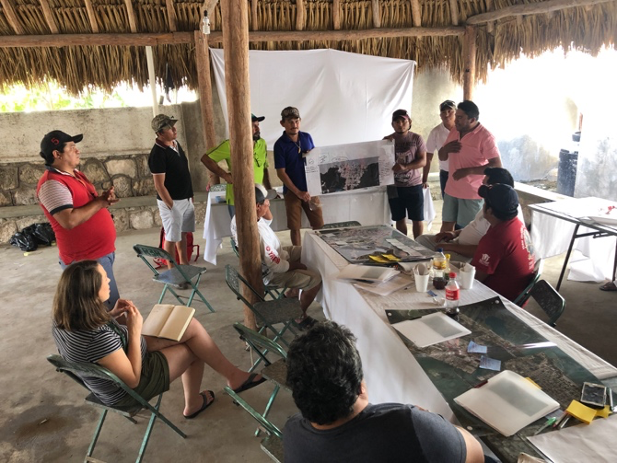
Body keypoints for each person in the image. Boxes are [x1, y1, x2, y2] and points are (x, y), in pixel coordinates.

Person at [52, 261, 265, 419]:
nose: (108, 279)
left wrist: (112, 315)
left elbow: (99, 351)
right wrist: (134, 331)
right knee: (194, 347)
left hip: (113, 370)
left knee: (189, 326)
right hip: (126, 391)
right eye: (104, 278)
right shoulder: (99, 339)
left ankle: (232, 376)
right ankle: (196, 401)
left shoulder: (63, 319)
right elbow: (133, 379)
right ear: (89, 292)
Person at [283, 321, 484, 463]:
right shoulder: (409, 425)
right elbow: (476, 455)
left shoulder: (292, 432)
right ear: (360, 386)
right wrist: (433, 423)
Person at [36, 130, 120, 309]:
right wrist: (100, 202)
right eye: (72, 148)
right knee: (102, 313)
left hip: (99, 254)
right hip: (85, 260)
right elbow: (69, 221)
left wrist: (103, 201)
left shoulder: (76, 175)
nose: (78, 151)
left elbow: (89, 205)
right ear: (57, 154)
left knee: (108, 308)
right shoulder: (52, 184)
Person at [231, 186, 322, 330]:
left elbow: (268, 220)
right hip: (271, 273)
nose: (269, 203)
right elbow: (276, 265)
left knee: (308, 252)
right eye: (265, 201)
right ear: (256, 205)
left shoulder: (242, 215)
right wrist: (295, 266)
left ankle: (291, 293)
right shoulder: (258, 234)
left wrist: (264, 207)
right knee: (315, 279)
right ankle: (299, 316)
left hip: (276, 254)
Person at [416, 167, 523, 263]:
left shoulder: (499, 215)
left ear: (497, 188)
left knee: (435, 260)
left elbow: (485, 251)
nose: (482, 189)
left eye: (486, 186)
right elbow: (475, 226)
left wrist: (451, 247)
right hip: (457, 243)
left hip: (467, 256)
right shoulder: (492, 203)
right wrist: (454, 233)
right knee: (421, 241)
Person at [438, 101, 502, 231]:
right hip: (451, 188)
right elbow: (442, 156)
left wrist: (469, 171)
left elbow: (497, 165)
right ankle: (442, 251)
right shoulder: (455, 131)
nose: (455, 120)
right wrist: (445, 149)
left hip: (472, 193)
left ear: (472, 119)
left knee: (467, 229)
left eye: (460, 117)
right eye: (456, 116)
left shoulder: (485, 137)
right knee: (446, 225)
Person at [471, 184, 536, 301]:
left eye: (484, 203)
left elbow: (473, 280)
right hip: (517, 293)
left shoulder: (496, 239)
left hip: (499, 301)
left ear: (490, 211)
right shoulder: (515, 223)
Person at [201, 113, 272, 218]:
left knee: (263, 228)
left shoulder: (262, 143)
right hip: (238, 198)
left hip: (259, 195)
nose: (257, 129)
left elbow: (264, 168)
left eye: (258, 125)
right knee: (240, 231)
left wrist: (269, 190)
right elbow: (206, 159)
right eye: (253, 126)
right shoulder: (231, 144)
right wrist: (225, 175)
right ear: (243, 127)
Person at [148, 114, 194, 270]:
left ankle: (184, 264)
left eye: (173, 125)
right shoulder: (158, 154)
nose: (174, 129)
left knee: (182, 234)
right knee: (172, 236)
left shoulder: (175, 144)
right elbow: (159, 185)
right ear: (160, 133)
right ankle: (172, 270)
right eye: (169, 127)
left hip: (185, 198)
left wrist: (190, 196)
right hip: (172, 201)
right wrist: (172, 206)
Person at [274, 107, 324, 246]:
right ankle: (298, 254)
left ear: (300, 121)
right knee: (295, 227)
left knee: (319, 224)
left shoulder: (307, 137)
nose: (294, 124)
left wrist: (312, 156)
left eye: (296, 121)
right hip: (292, 192)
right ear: (282, 123)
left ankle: (320, 250)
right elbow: (281, 172)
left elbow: (315, 160)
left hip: (311, 189)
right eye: (290, 121)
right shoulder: (280, 145)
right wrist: (298, 192)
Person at [384, 109, 427, 238]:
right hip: (394, 186)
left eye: (404, 121)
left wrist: (405, 166)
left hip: (413, 184)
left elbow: (423, 161)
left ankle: (418, 244)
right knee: (399, 218)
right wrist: (383, 145)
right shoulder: (387, 141)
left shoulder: (416, 138)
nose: (401, 124)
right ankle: (403, 245)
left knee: (417, 218)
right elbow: (382, 162)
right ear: (392, 124)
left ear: (409, 122)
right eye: (397, 121)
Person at [423, 100, 457, 197]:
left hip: (462, 173)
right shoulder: (435, 132)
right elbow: (428, 156)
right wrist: (424, 179)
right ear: (440, 116)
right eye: (443, 112)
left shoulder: (463, 130)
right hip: (445, 174)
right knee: (447, 204)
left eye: (450, 111)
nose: (446, 114)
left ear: (456, 112)